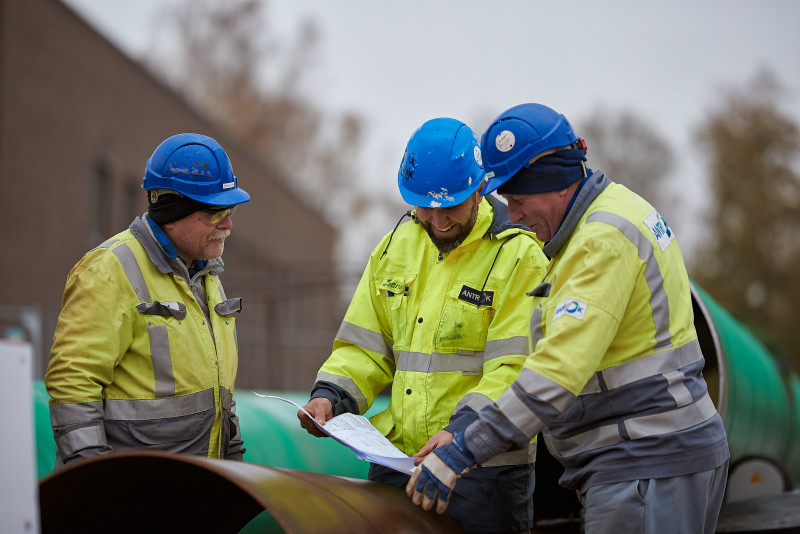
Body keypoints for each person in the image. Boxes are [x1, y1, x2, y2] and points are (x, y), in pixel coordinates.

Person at [408, 103, 730, 534]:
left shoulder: (600, 241)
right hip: (652, 459)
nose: (515, 215)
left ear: (556, 183)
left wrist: (466, 449)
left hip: (646, 463)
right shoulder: (612, 215)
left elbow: (557, 371)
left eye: (518, 200)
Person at [297, 118, 549, 534]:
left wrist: (462, 435)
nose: (437, 221)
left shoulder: (520, 257)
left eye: (450, 206)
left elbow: (516, 370)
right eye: (424, 207)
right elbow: (363, 346)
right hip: (397, 463)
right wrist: (332, 396)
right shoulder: (395, 246)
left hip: (482, 473)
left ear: (480, 189)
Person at [46, 133, 249, 468]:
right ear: (173, 210)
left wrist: (233, 459)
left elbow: (217, 393)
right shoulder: (109, 269)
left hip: (197, 490)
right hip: (128, 494)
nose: (228, 225)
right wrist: (92, 472)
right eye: (215, 213)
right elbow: (73, 384)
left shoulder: (206, 277)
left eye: (230, 211)